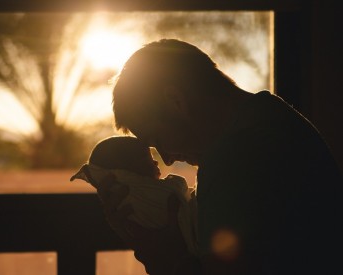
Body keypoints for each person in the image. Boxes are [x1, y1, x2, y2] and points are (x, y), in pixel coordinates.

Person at [96, 39, 343, 274]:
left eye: (158, 141)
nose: (167, 159)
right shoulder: (277, 119)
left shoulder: (233, 159)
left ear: (175, 101)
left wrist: (159, 254)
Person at [70, 136, 199, 256]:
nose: (157, 162)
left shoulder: (124, 204)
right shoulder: (145, 195)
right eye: (148, 159)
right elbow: (178, 189)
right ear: (127, 173)